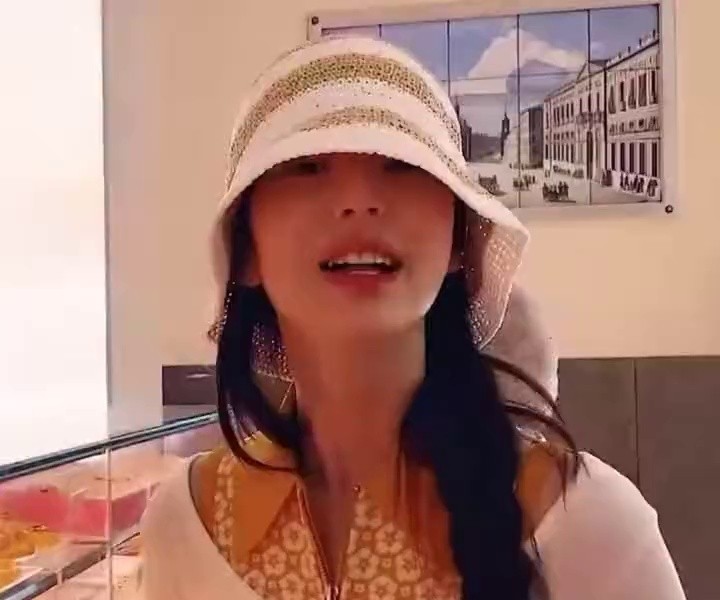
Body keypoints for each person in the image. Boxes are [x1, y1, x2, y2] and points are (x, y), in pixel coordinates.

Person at [140, 37, 685, 600]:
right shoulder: (189, 522)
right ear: (246, 249)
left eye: (401, 165)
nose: (358, 200)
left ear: (458, 243)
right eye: (308, 166)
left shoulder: (584, 519)